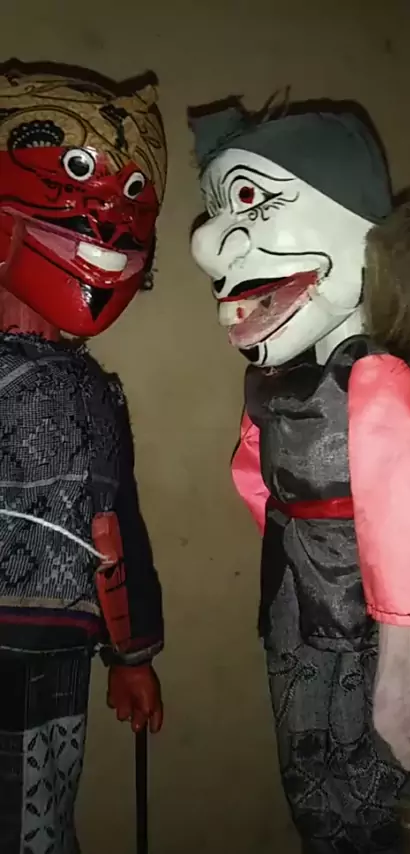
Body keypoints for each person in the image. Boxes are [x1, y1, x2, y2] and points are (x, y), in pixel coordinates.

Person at [188, 96, 410, 852]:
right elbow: (258, 480)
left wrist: (407, 658)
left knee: (388, 782)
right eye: (217, 208)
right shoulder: (278, 382)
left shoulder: (372, 377)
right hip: (295, 608)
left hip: (362, 616)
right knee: (315, 779)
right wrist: (288, 549)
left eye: (248, 198)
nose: (208, 243)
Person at [0, 62, 166, 852]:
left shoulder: (93, 392)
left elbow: (115, 525)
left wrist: (130, 653)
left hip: (55, 656)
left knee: (38, 825)